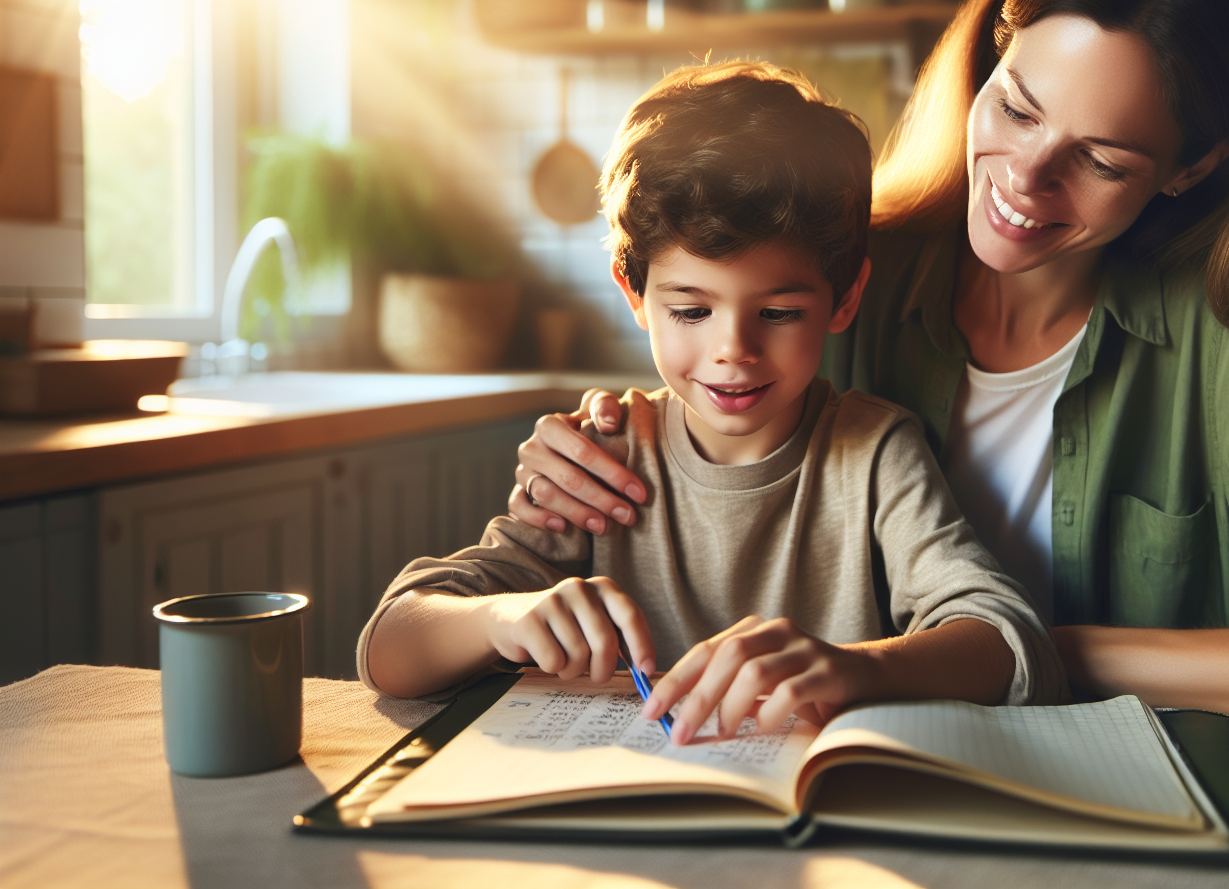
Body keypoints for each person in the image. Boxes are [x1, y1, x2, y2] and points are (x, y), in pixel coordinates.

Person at [508, 0, 1229, 728]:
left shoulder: (1222, 339)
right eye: (1018, 107)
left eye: (1100, 158)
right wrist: (593, 447)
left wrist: (1030, 645)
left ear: (1190, 166)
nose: (1025, 182)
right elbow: (721, 393)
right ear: (991, 55)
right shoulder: (853, 266)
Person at [359, 62, 1064, 742]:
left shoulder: (876, 453)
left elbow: (1003, 636)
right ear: (634, 294)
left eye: (779, 313)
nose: (734, 350)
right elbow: (389, 648)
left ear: (844, 298)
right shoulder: (601, 455)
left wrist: (854, 666)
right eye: (691, 312)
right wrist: (500, 619)